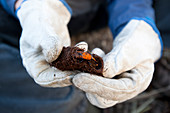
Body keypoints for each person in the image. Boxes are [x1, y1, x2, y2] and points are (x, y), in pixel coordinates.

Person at [0, 0, 166, 113]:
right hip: (14, 17)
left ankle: (152, 56)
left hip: (87, 9)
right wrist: (27, 4)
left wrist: (138, 23)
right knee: (57, 100)